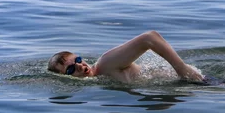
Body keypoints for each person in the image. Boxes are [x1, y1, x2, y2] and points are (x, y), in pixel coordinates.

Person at [48, 30, 204, 84]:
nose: (80, 67)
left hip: (194, 81)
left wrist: (182, 70)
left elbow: (149, 37)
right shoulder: (101, 78)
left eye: (78, 60)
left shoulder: (105, 64)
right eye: (70, 70)